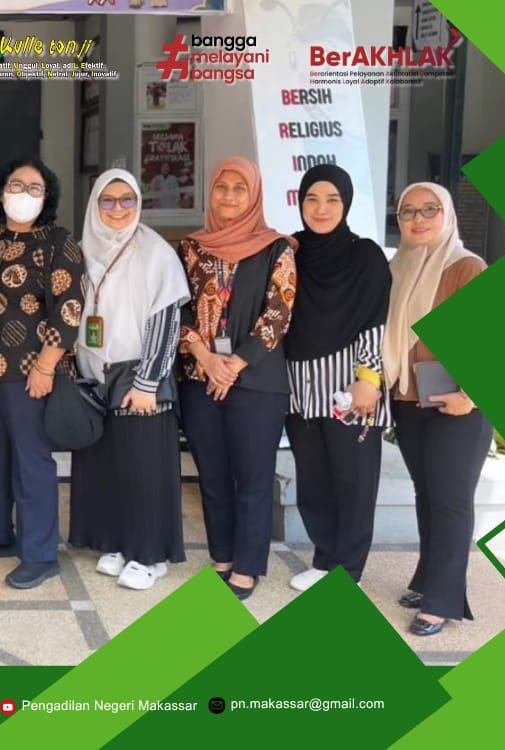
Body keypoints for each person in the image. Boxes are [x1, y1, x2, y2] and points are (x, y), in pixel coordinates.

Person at [0, 156, 84, 589]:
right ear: (1, 191)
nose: (23, 195)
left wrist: (46, 366)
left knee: (31, 461)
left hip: (31, 372)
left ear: (47, 197)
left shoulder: (58, 242)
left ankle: (40, 553)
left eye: (34, 188)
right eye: (16, 185)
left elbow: (69, 309)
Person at [177, 156, 297, 601]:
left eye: (239, 188)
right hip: (200, 377)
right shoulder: (190, 248)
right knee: (212, 474)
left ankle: (247, 565)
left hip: (257, 381)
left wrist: (235, 363)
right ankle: (222, 556)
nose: (229, 196)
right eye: (221, 187)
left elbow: (279, 312)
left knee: (252, 476)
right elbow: (178, 309)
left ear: (254, 195)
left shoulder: (276, 248)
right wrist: (205, 358)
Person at [69, 169, 190, 590]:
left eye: (127, 200)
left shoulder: (155, 252)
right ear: (95, 205)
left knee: (145, 468)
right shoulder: (84, 249)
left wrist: (147, 382)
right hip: (95, 377)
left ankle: (149, 555)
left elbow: (166, 320)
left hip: (139, 376)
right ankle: (119, 543)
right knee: (110, 466)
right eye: (108, 200)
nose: (117, 208)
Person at [384, 182, 492, 637]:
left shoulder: (466, 267)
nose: (419, 219)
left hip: (459, 406)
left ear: (447, 214)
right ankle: (428, 580)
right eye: (409, 211)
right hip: (410, 401)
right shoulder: (397, 267)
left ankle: (443, 601)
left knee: (450, 500)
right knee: (426, 494)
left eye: (430, 209)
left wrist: (470, 394)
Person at [284, 164, 392, 592]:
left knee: (354, 481)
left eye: (332, 199)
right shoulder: (291, 253)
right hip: (300, 389)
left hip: (351, 387)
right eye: (312, 199)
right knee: (313, 480)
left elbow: (377, 318)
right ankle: (324, 558)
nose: (321, 208)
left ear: (346, 203)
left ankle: (349, 571)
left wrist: (369, 378)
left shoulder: (365, 256)